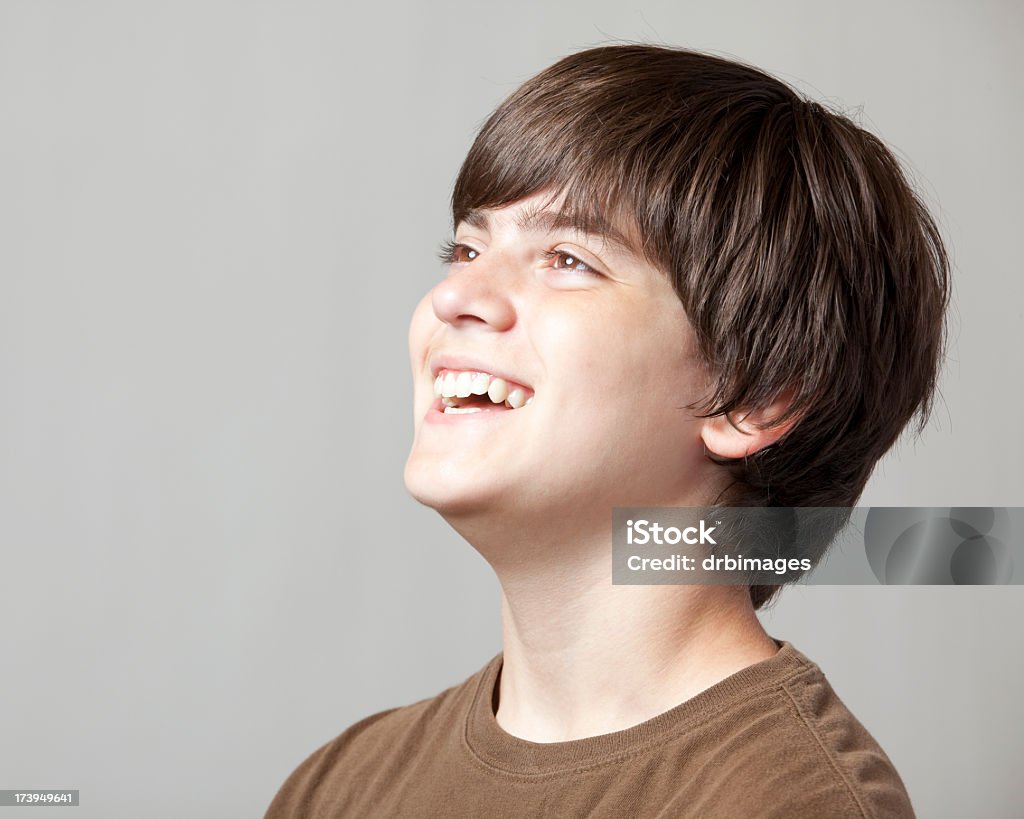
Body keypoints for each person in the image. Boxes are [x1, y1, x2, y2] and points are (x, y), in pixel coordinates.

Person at [264, 44, 948, 818]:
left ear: (752, 395)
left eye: (567, 258)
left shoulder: (788, 800)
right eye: (466, 247)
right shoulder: (340, 785)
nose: (458, 294)